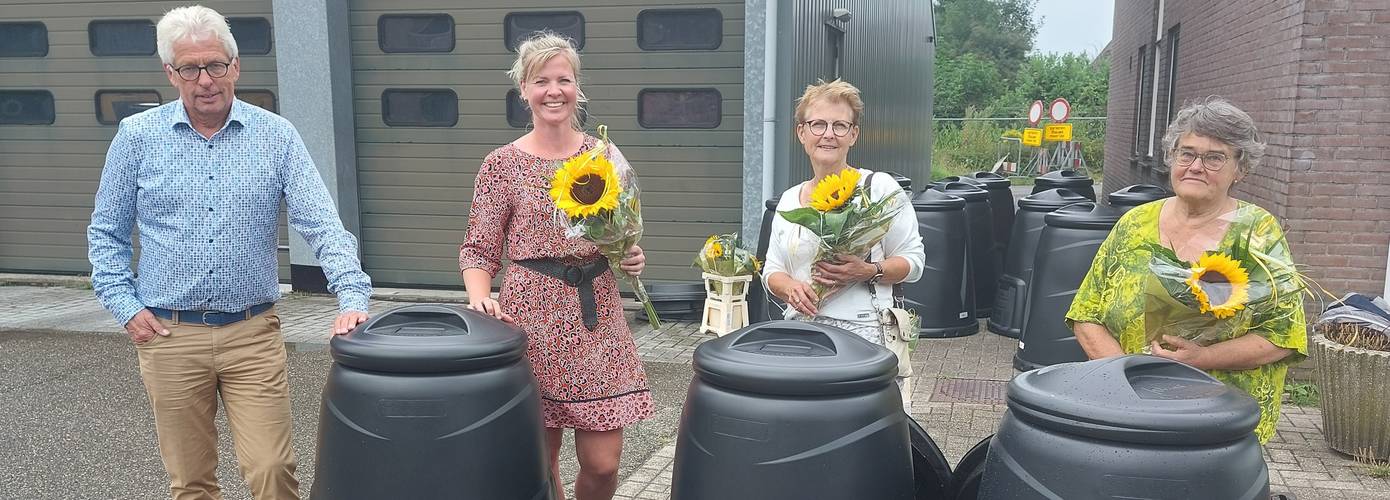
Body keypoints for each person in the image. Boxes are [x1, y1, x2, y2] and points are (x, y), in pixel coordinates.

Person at [86, 5, 372, 499]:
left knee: (272, 469)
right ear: (170, 73)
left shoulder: (275, 136)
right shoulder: (137, 139)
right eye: (189, 68)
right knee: (192, 483)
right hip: (169, 336)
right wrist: (124, 306)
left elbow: (321, 223)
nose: (205, 80)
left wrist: (351, 296)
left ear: (235, 65)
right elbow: (106, 232)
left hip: (252, 333)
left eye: (215, 64)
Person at [458, 32, 652, 500]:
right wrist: (480, 294)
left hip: (595, 319)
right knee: (539, 464)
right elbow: (478, 249)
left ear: (577, 88)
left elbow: (623, 230)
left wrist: (630, 254)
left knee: (603, 465)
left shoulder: (603, 156)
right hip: (530, 319)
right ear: (523, 89)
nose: (553, 90)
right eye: (540, 80)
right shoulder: (500, 165)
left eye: (563, 79)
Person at [1066, 97, 1306, 444]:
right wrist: (1128, 377)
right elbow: (1085, 313)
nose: (1196, 166)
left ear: (1241, 168)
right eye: (1187, 153)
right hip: (1128, 413)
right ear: (1172, 158)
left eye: (1214, 157)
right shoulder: (1135, 224)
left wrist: (1204, 357)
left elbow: (1283, 336)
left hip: (1217, 424)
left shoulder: (1258, 233)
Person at [762, 80, 926, 408]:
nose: (828, 134)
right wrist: (791, 288)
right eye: (818, 124)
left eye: (840, 125)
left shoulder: (878, 188)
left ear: (853, 135)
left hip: (865, 335)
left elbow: (914, 262)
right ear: (801, 133)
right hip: (803, 335)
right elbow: (771, 272)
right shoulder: (789, 200)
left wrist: (867, 270)